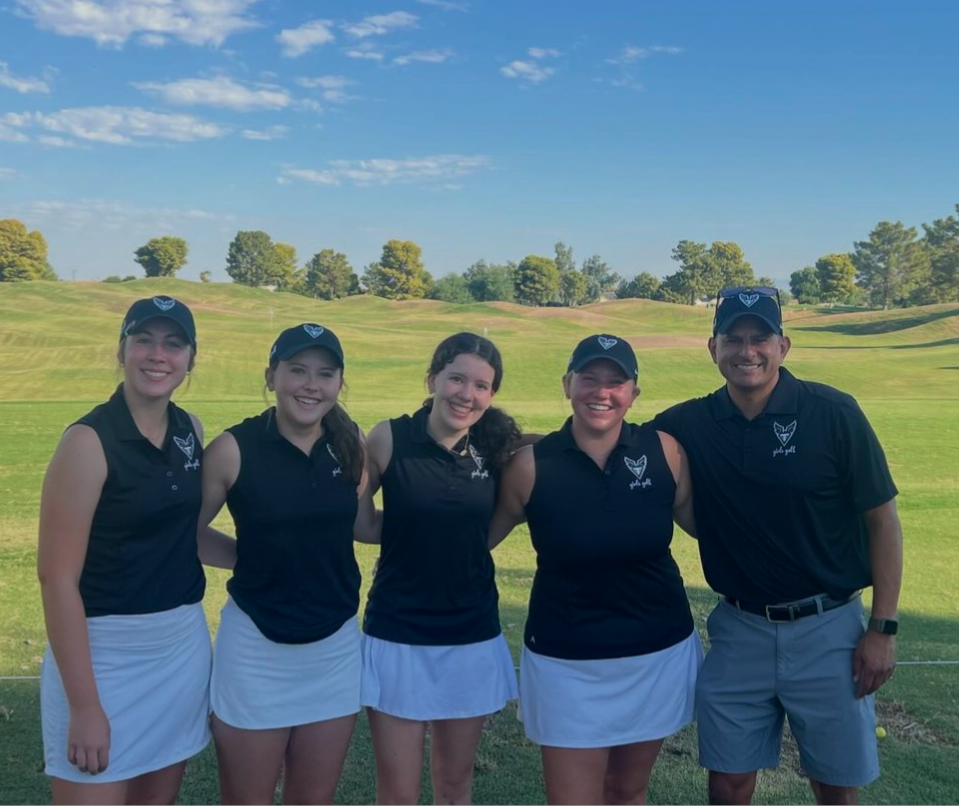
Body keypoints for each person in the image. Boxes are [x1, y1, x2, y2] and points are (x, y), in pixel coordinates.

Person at [648, 286, 903, 805]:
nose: (747, 351)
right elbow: (606, 443)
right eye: (733, 339)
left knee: (835, 784)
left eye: (760, 338)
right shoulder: (689, 423)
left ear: (783, 346)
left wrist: (882, 627)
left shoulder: (832, 413)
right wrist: (516, 446)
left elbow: (884, 522)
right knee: (727, 780)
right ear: (712, 348)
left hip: (830, 629)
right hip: (739, 630)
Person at [490, 333, 702, 805]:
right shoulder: (530, 466)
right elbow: (476, 540)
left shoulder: (664, 451)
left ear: (634, 393)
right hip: (566, 661)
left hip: (657, 654)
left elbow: (708, 528)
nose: (601, 392)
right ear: (568, 383)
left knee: (628, 791)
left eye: (616, 381)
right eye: (589, 379)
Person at [37, 295, 222, 805]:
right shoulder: (87, 441)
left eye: (173, 344)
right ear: (122, 350)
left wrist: (270, 559)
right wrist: (85, 706)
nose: (157, 355)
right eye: (143, 340)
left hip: (179, 651)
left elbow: (183, 535)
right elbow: (57, 580)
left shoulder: (190, 431)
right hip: (104, 660)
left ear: (190, 359)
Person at [197, 323, 378, 805]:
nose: (310, 385)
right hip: (256, 648)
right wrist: (249, 558)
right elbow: (183, 534)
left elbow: (360, 525)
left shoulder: (351, 442)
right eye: (296, 370)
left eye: (325, 373)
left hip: (334, 647)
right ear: (271, 376)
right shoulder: (233, 449)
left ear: (340, 383)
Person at [361, 332, 521, 805]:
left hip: (470, 634)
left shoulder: (496, 449)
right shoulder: (389, 436)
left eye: (481, 385)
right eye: (456, 379)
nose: (466, 395)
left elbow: (493, 524)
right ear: (432, 379)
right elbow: (359, 521)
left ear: (491, 395)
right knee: (398, 791)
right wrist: (416, 524)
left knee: (454, 785)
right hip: (397, 632)